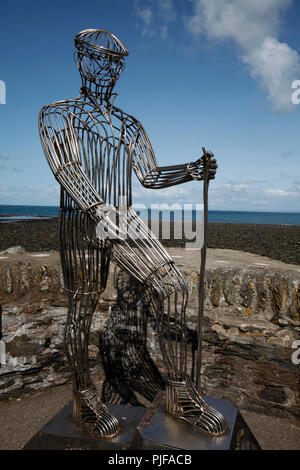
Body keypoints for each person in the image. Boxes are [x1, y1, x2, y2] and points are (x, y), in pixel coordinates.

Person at [39, 29, 227, 439]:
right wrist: (97, 207)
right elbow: (67, 167)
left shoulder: (129, 125)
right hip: (81, 221)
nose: (107, 68)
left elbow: (149, 175)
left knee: (173, 286)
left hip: (120, 218)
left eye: (115, 62)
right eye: (98, 58)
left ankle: (180, 393)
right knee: (82, 311)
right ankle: (85, 396)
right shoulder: (56, 114)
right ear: (80, 61)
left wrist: (192, 171)